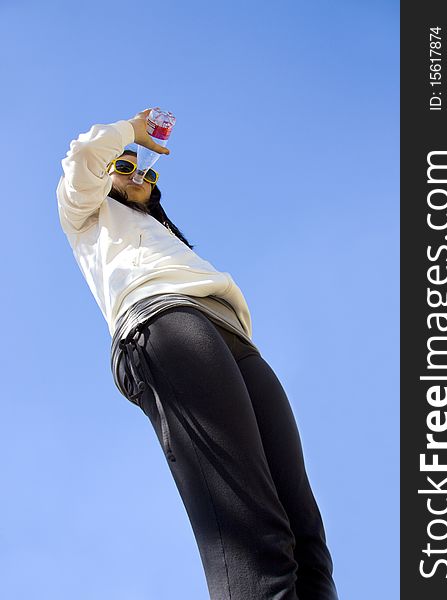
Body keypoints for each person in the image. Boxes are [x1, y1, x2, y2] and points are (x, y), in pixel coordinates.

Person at [56, 108, 340, 600]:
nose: (136, 174)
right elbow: (85, 156)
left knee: (306, 538)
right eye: (122, 167)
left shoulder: (163, 233)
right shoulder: (87, 215)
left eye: (144, 169)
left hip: (233, 337)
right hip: (163, 320)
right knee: (252, 531)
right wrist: (131, 132)